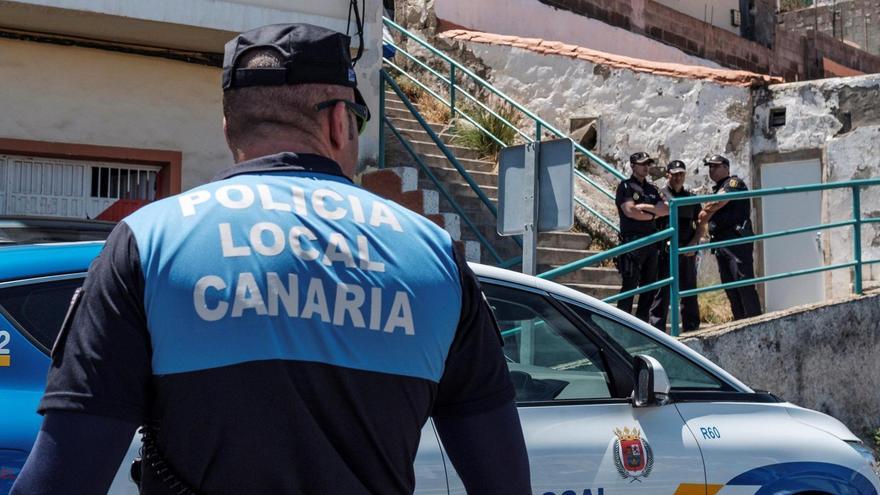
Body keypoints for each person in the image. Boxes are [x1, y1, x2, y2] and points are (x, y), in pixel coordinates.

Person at [12, 24, 531, 495]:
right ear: (336, 123)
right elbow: (502, 478)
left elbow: (64, 476)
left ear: (229, 127)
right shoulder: (433, 252)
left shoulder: (147, 240)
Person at [697, 154, 762, 320]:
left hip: (736, 241)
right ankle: (740, 320)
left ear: (726, 167)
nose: (712, 169)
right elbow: (703, 217)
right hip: (720, 243)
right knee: (729, 286)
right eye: (710, 166)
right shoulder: (717, 188)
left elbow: (719, 201)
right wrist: (708, 210)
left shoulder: (734, 183)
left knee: (743, 283)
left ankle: (754, 320)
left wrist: (707, 209)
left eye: (716, 166)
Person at [614, 152, 668, 322]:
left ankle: (642, 324)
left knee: (649, 287)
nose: (646, 167)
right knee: (629, 285)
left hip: (651, 243)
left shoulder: (652, 189)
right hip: (633, 242)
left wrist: (644, 207)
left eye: (648, 164)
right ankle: (621, 323)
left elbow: (665, 210)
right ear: (632, 166)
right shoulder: (625, 186)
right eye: (642, 164)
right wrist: (653, 214)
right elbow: (631, 211)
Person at [649, 160, 701, 333]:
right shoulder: (659, 195)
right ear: (667, 175)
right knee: (661, 293)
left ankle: (692, 330)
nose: (679, 177)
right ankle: (657, 332)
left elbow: (701, 225)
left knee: (689, 291)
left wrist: (694, 245)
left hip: (686, 251)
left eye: (682, 174)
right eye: (675, 174)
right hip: (665, 252)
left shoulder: (691, 198)